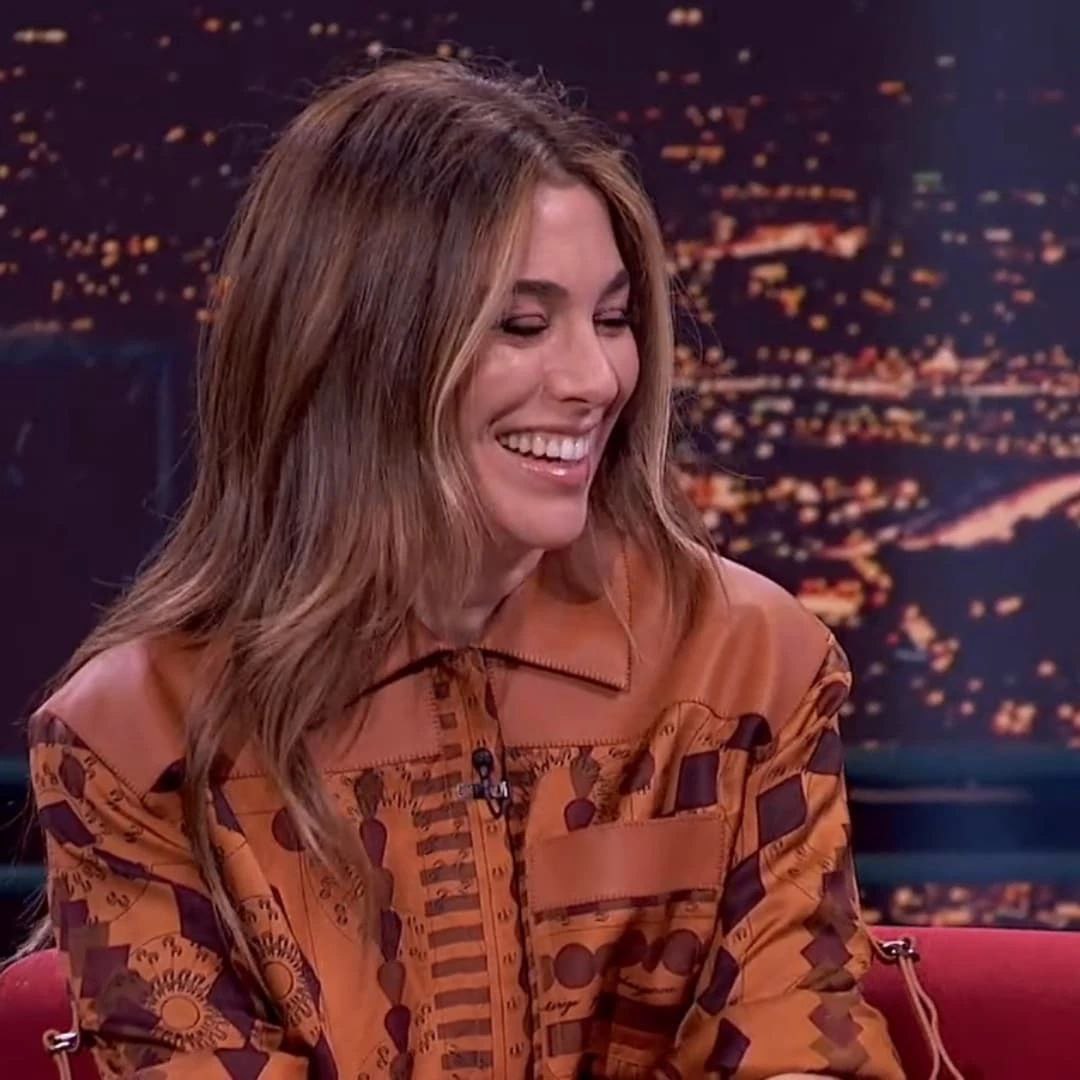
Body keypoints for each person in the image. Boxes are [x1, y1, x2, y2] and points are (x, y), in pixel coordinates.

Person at [25, 57, 902, 1079]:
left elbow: (798, 1044)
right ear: (354, 350)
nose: (595, 379)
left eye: (612, 318)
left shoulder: (750, 664)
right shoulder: (139, 740)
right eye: (522, 325)